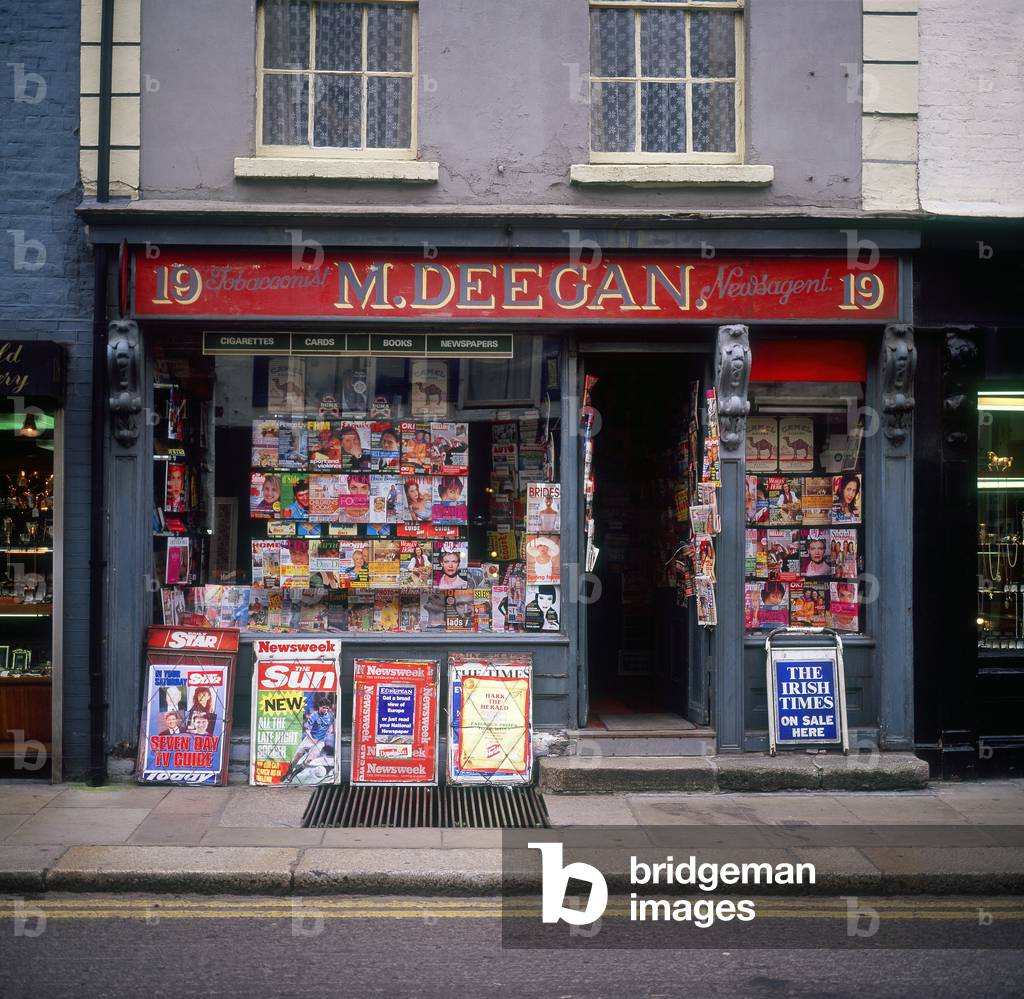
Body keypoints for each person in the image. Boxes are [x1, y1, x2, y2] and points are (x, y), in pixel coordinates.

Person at [282, 696, 336, 784]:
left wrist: (331, 730)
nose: (325, 710)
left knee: (308, 761)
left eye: (327, 708)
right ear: (319, 707)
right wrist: (313, 740)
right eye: (323, 708)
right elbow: (307, 730)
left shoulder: (329, 716)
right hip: (309, 739)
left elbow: (332, 723)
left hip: (320, 743)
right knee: (296, 758)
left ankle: (293, 775)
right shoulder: (314, 716)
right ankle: (288, 773)